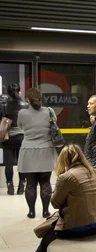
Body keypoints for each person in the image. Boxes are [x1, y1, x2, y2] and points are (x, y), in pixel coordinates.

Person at [10, 144, 96, 252]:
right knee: (52, 227)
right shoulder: (94, 172)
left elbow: (55, 203)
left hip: (80, 226)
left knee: (48, 237)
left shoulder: (67, 177)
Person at [17, 88, 58, 218]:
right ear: (41, 98)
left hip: (28, 151)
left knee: (30, 183)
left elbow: (20, 127)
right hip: (46, 150)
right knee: (45, 182)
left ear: (28, 99)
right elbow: (55, 124)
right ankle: (45, 211)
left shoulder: (22, 113)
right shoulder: (49, 111)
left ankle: (31, 212)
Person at [0, 83, 28, 195]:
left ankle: (10, 186)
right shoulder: (25, 105)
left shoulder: (4, 105)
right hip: (21, 137)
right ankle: (21, 186)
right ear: (19, 92)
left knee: (8, 163)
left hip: (7, 138)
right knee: (21, 163)